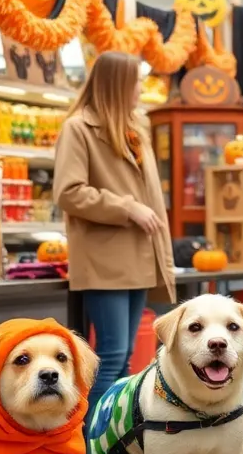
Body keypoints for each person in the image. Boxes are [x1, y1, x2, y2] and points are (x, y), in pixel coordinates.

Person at [53, 51, 176, 418]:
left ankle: (113, 435)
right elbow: (69, 192)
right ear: (118, 85)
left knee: (124, 358)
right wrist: (127, 207)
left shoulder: (136, 129)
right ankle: (92, 440)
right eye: (136, 82)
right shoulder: (78, 128)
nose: (140, 89)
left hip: (139, 256)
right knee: (110, 356)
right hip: (105, 261)